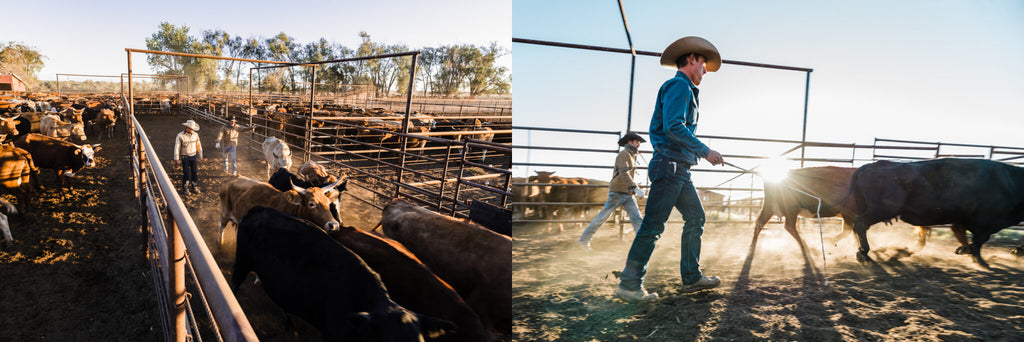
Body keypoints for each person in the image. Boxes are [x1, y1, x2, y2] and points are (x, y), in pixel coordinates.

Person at [616, 36, 727, 302]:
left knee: (696, 217)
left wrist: (697, 153)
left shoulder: (684, 88)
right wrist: (705, 151)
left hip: (678, 167)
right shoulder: (679, 86)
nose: (704, 71)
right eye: (703, 64)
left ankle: (691, 277)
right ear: (691, 59)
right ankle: (630, 285)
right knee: (653, 226)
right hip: (670, 165)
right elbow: (674, 126)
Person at [577, 132, 647, 249]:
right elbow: (624, 173)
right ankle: (583, 241)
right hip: (618, 192)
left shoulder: (631, 155)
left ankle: (643, 245)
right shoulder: (623, 154)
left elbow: (627, 174)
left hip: (627, 193)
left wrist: (634, 189)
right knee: (602, 218)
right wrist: (635, 188)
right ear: (630, 142)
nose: (639, 144)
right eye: (637, 142)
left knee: (637, 219)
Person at [173, 119, 204, 194]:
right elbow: (177, 147)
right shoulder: (180, 136)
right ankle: (185, 188)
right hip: (185, 157)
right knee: (186, 173)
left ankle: (195, 186)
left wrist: (200, 156)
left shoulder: (196, 135)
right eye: (192, 129)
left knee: (194, 172)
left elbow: (199, 146)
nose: (193, 130)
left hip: (193, 156)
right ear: (188, 128)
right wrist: (176, 158)